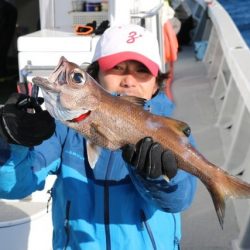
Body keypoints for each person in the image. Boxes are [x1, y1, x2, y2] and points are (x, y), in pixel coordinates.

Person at [0, 24, 196, 250]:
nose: (129, 81)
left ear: (156, 83)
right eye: (117, 68)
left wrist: (156, 176)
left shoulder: (169, 134)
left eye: (142, 70)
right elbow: (13, 187)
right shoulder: (64, 129)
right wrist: (12, 143)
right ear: (95, 76)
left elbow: (179, 200)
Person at [0, 0, 17, 78]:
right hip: (7, 7)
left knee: (4, 43)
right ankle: (2, 70)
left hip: (6, 7)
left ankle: (2, 70)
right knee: (4, 43)